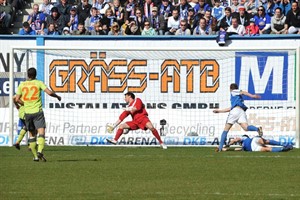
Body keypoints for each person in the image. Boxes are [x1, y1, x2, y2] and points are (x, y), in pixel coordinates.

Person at [15, 68, 61, 161]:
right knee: (41, 132)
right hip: (37, 112)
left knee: (32, 135)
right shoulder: (39, 83)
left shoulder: (22, 85)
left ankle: (35, 156)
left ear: (28, 75)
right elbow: (49, 92)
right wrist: (57, 96)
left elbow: (16, 99)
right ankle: (40, 151)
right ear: (35, 75)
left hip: (27, 113)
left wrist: (25, 104)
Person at [213, 83, 263, 152]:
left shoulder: (234, 91)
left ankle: (220, 147)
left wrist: (252, 96)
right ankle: (257, 129)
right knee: (246, 127)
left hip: (235, 111)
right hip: (241, 111)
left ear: (230, 89)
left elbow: (243, 92)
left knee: (226, 129)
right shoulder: (237, 98)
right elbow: (231, 108)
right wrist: (219, 111)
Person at [221, 135, 294, 152]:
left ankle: (284, 144)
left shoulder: (244, 138)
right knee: (266, 149)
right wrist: (228, 149)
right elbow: (237, 149)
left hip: (254, 141)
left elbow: (235, 140)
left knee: (265, 141)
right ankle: (283, 149)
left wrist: (227, 145)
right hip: (253, 148)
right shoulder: (242, 147)